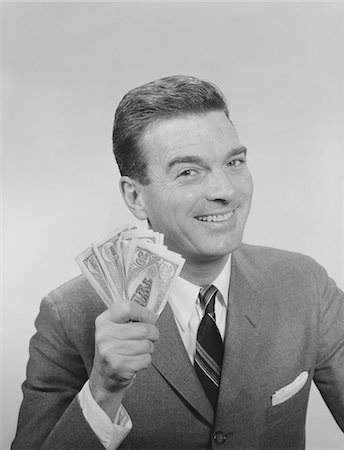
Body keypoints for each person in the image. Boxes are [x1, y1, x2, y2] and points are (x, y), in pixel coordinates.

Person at [12, 75, 344, 450]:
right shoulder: (68, 316)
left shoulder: (306, 285)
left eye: (234, 162)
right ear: (136, 198)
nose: (225, 191)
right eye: (188, 172)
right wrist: (103, 393)